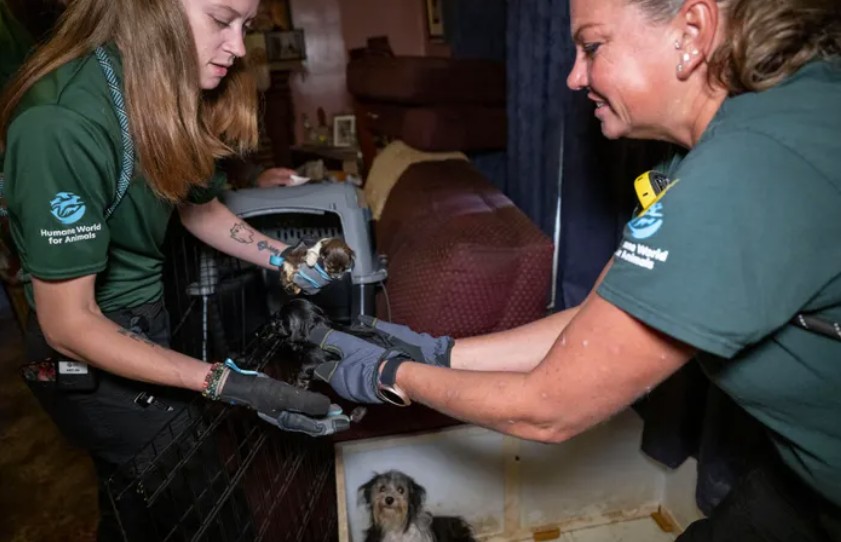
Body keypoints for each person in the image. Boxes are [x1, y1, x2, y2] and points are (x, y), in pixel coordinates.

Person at [304, 0, 841, 540]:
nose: (573, 76)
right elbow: (597, 320)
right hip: (804, 479)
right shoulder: (707, 154)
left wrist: (386, 375)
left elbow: (548, 408)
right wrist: (434, 351)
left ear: (692, 31)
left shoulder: (743, 172)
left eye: (592, 47)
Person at [0, 0, 351, 538]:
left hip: (148, 319)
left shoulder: (158, 89)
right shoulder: (60, 122)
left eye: (246, 27)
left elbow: (197, 207)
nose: (237, 49)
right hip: (87, 350)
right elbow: (69, 325)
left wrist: (284, 257)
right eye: (220, 20)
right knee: (214, 520)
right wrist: (223, 382)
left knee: (134, 508)